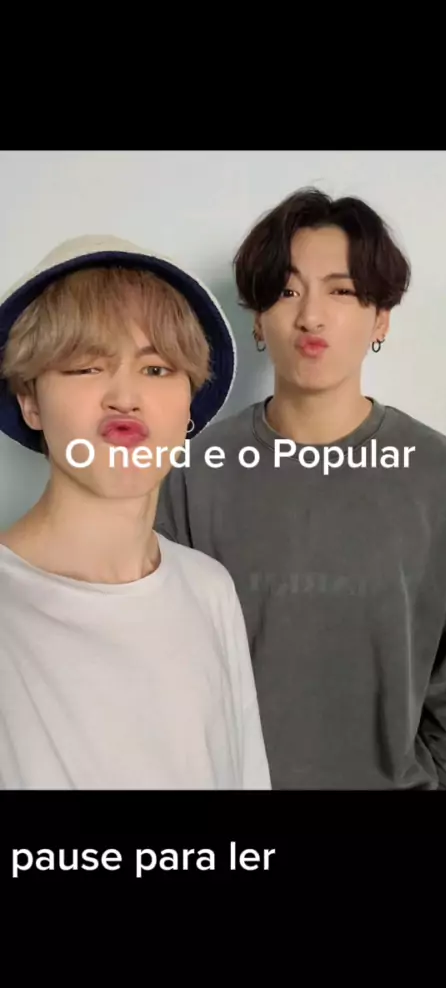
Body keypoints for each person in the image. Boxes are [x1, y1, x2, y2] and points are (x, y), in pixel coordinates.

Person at [156, 188, 446, 791]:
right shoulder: (194, 470)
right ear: (257, 319)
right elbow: (161, 666)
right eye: (286, 291)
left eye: (342, 291)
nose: (311, 316)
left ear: (380, 318)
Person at [0, 234, 271, 791]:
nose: (124, 396)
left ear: (189, 407)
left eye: (156, 369)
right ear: (30, 401)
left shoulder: (209, 590)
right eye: (85, 367)